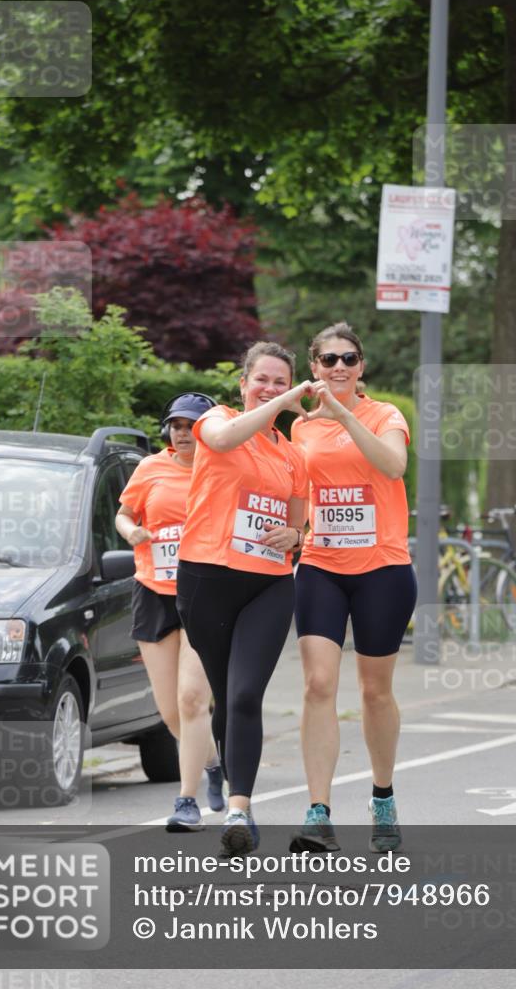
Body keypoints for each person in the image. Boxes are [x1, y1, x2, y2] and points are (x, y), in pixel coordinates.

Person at [176, 342, 310, 856]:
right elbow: (231, 436)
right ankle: (230, 786)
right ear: (243, 384)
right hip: (207, 578)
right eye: (264, 380)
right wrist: (281, 404)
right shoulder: (216, 420)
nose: (272, 389)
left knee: (245, 694)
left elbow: (300, 520)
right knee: (222, 694)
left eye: (281, 381)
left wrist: (295, 535)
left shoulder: (292, 454)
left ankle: (239, 808)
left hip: (269, 583)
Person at [290, 322, 417, 853]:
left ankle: (382, 796)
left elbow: (393, 465)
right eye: (327, 360)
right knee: (319, 685)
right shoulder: (299, 429)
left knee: (373, 690)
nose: (338, 368)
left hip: (382, 568)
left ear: (361, 367)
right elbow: (293, 490)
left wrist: (342, 411)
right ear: (313, 368)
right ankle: (318, 811)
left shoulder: (385, 415)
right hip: (321, 564)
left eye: (347, 359)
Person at [115, 392, 225, 832]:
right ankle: (213, 761)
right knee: (169, 711)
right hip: (154, 592)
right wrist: (133, 531)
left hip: (203, 593)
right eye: (177, 426)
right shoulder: (150, 468)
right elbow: (123, 514)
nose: (183, 434)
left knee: (193, 698)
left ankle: (186, 801)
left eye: (192, 426)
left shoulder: (222, 469)